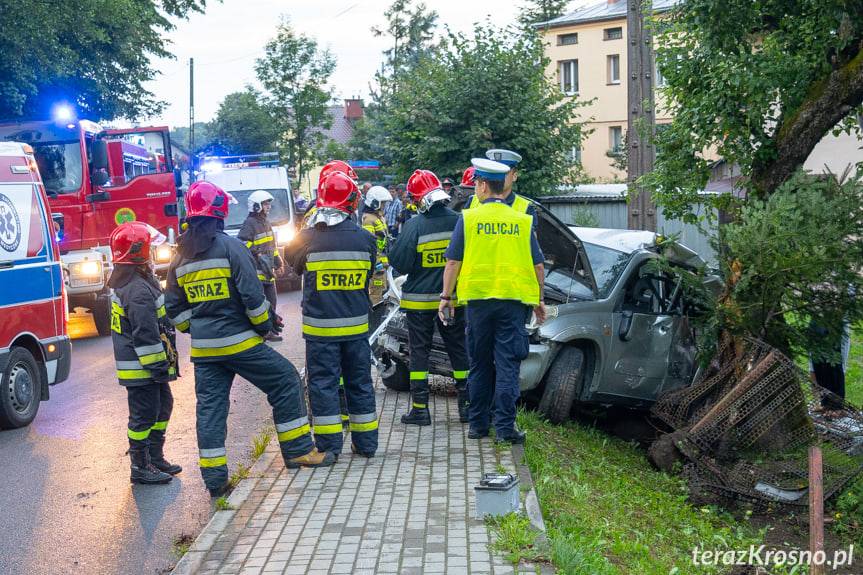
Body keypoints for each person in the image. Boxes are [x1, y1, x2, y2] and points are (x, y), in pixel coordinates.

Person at [166, 181, 334, 497]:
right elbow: (252, 297)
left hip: (205, 350)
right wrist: (262, 326)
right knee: (285, 380)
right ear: (219, 210)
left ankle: (215, 481)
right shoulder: (231, 248)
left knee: (210, 410)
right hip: (240, 342)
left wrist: (198, 329)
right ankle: (299, 449)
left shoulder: (179, 258)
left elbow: (173, 308)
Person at [439, 158, 546, 444]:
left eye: (476, 183)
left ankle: (477, 426)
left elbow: (453, 261)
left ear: (484, 185)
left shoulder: (469, 218)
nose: (474, 188)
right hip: (512, 304)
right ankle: (504, 429)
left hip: (478, 304)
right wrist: (539, 300)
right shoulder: (523, 221)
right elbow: (538, 266)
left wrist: (446, 297)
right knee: (508, 365)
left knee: (480, 364)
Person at [286, 172, 379, 459]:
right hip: (356, 328)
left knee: (323, 385)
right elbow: (370, 274)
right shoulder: (365, 239)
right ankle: (366, 445)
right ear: (352, 203)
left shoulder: (306, 239)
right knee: (360, 383)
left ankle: (328, 447)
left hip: (321, 330)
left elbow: (292, 263)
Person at [389, 169, 470, 425]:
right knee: (459, 350)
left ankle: (420, 410)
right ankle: (467, 408)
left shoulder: (414, 226)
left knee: (419, 354)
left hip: (419, 303)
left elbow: (400, 263)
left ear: (418, 199)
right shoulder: (460, 222)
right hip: (454, 300)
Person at [108, 221, 181, 485]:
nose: (152, 255)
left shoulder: (135, 280)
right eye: (150, 249)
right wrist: (159, 365)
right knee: (145, 414)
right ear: (138, 253)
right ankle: (140, 466)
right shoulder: (137, 289)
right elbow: (145, 333)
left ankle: (154, 456)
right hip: (142, 366)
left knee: (163, 406)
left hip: (145, 365)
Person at [237, 190, 284, 343]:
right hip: (257, 273)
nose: (268, 206)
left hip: (268, 271)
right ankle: (262, 332)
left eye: (268, 203)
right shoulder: (250, 223)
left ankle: (270, 329)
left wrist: (278, 262)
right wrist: (257, 254)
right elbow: (243, 242)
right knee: (260, 304)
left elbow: (272, 246)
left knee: (272, 302)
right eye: (265, 203)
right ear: (256, 206)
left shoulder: (265, 222)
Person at [464, 149, 536, 219]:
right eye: (494, 172)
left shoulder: (526, 208)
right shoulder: (472, 201)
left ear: (514, 176)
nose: (498, 177)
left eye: (503, 173)